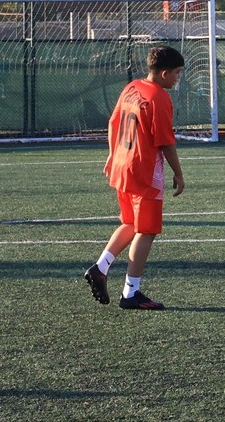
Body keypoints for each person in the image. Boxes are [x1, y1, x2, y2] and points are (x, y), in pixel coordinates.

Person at [83, 46, 186, 310]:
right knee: (146, 230)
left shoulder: (132, 87)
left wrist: (111, 154)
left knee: (130, 222)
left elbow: (113, 122)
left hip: (122, 165)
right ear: (163, 74)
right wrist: (178, 172)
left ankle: (100, 267)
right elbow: (165, 142)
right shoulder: (159, 98)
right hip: (143, 171)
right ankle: (131, 293)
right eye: (176, 73)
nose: (177, 78)